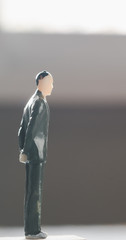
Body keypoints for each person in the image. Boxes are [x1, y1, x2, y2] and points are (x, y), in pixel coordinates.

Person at [18, 71, 54, 239]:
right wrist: (25, 151)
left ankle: (32, 229)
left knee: (32, 192)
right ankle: (33, 231)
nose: (52, 86)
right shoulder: (39, 103)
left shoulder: (30, 102)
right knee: (35, 193)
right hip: (36, 153)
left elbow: (21, 130)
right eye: (49, 82)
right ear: (40, 81)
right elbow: (31, 128)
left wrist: (22, 150)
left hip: (31, 153)